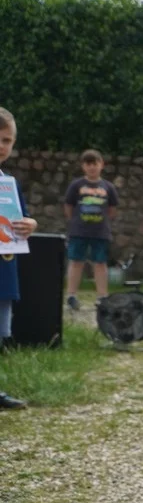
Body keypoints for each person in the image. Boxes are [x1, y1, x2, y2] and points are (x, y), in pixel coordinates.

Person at [0, 106, 37, 410]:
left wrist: (31, 225)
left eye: (7, 140)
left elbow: (21, 219)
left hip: (4, 269)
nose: (2, 146)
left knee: (0, 332)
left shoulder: (9, 183)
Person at [63, 150, 119, 311]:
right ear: (83, 166)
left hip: (100, 232)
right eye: (88, 164)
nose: (92, 167)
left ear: (102, 165)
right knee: (76, 262)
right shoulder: (76, 185)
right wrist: (75, 221)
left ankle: (102, 296)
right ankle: (71, 295)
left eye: (95, 164)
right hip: (79, 231)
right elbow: (68, 206)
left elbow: (112, 209)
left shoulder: (108, 187)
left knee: (100, 263)